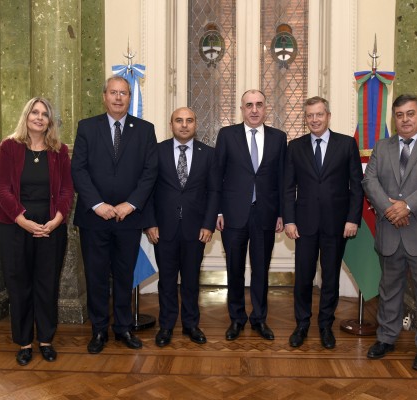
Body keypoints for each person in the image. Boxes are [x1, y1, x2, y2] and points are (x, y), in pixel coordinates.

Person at [362, 93, 417, 371]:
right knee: (389, 291)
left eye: (410, 114)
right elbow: (370, 180)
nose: (405, 120)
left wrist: (408, 206)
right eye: (399, 115)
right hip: (390, 231)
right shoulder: (382, 146)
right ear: (394, 118)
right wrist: (391, 210)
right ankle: (387, 338)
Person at [72, 76, 158, 354]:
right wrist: (98, 204)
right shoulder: (87, 127)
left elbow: (150, 173)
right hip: (94, 218)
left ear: (129, 97)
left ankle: (122, 327)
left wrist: (130, 204)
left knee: (124, 276)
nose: (119, 98)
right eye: (113, 92)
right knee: (96, 276)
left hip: (128, 218)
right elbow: (79, 170)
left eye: (124, 93)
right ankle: (98, 330)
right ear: (104, 96)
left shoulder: (145, 130)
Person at [0, 97, 74, 366]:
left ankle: (46, 340)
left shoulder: (59, 151)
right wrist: (21, 219)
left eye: (45, 114)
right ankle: (25, 342)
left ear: (50, 121)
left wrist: (58, 218)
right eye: (34, 112)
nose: (39, 117)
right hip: (14, 226)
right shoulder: (9, 146)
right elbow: (1, 188)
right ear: (26, 116)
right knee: (19, 285)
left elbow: (66, 190)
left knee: (47, 284)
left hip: (51, 226)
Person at [283, 96, 363, 349]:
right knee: (303, 278)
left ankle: (325, 325)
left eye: (319, 114)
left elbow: (356, 187)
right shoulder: (295, 147)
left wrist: (353, 219)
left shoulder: (347, 144)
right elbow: (288, 188)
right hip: (303, 225)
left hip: (336, 225)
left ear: (328, 116)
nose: (314, 119)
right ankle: (302, 325)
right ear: (305, 118)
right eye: (309, 116)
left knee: (330, 278)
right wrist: (289, 220)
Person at [213, 89, 287, 341]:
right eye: (249, 105)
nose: (254, 110)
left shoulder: (279, 138)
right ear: (241, 109)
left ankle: (259, 318)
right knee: (234, 269)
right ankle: (236, 319)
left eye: (259, 105)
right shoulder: (227, 135)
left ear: (266, 108)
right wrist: (218, 210)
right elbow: (217, 176)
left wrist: (281, 213)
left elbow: (282, 180)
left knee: (261, 270)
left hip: (265, 214)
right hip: (233, 215)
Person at [144, 107, 219, 347]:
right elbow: (147, 190)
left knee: (190, 280)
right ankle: (166, 326)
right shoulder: (156, 151)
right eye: (179, 120)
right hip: (163, 228)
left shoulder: (208, 154)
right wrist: (150, 223)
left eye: (189, 121)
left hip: (195, 229)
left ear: (195, 124)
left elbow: (213, 192)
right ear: (171, 124)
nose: (184, 125)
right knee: (166, 280)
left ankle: (191, 324)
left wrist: (209, 224)